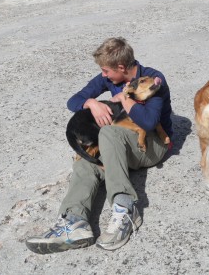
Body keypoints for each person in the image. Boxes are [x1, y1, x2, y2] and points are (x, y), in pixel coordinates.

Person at [26, 37, 173, 253]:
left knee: (109, 132)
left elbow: (150, 122)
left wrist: (124, 99)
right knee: (86, 158)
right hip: (121, 145)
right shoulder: (111, 79)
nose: (103, 75)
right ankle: (74, 222)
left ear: (121, 67)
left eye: (106, 71)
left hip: (153, 145)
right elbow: (73, 101)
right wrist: (91, 103)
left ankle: (125, 209)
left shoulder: (152, 79)